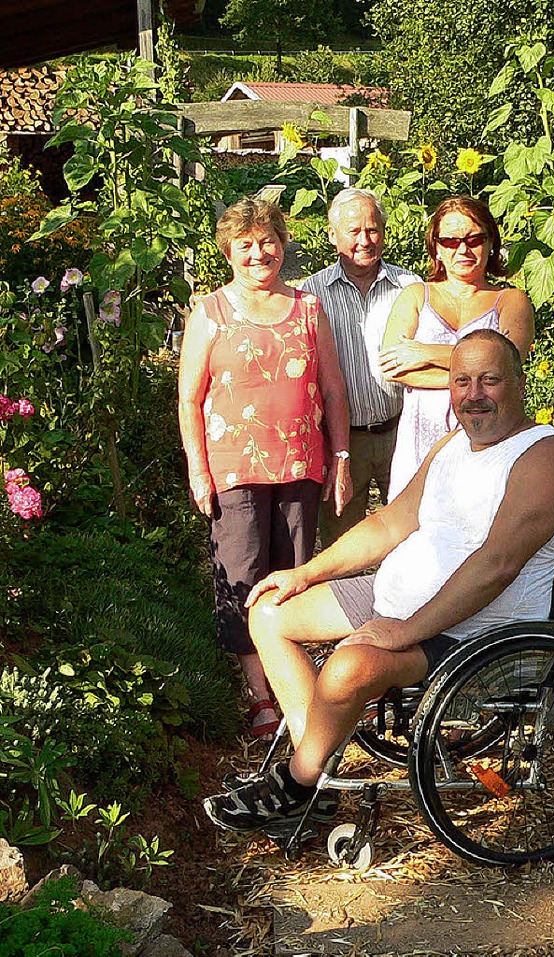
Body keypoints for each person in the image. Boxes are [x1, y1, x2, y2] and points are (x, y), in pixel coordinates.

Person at [203, 329, 554, 832]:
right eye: (462, 382)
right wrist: (304, 572)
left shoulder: (547, 456)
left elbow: (497, 563)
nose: (474, 395)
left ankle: (296, 784)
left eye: (490, 380)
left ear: (519, 383)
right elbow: (390, 523)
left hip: (473, 634)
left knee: (347, 668)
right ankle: (314, 772)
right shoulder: (454, 446)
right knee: (270, 609)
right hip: (395, 601)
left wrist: (403, 631)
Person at [178, 197, 351, 740]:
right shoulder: (210, 313)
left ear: (283, 244)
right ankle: (260, 697)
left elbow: (333, 388)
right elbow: (189, 400)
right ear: (228, 250)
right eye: (246, 244)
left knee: (294, 578)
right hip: (236, 472)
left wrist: (340, 459)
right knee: (244, 575)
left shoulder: (308, 308)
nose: (259, 253)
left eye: (268, 241)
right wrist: (198, 471)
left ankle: (293, 687)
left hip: (301, 465)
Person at [380, 195, 534, 500]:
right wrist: (481, 375)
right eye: (450, 241)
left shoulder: (512, 299)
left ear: (491, 243)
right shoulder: (415, 295)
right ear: (436, 247)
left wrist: (424, 352)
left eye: (474, 239)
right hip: (419, 442)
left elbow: (509, 362)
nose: (462, 249)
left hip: (488, 436)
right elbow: (392, 366)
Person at [301, 188, 421, 546]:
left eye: (373, 230)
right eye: (354, 231)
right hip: (343, 440)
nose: (365, 241)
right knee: (343, 540)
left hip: (402, 431)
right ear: (332, 235)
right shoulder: (312, 293)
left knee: (412, 535)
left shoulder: (410, 287)